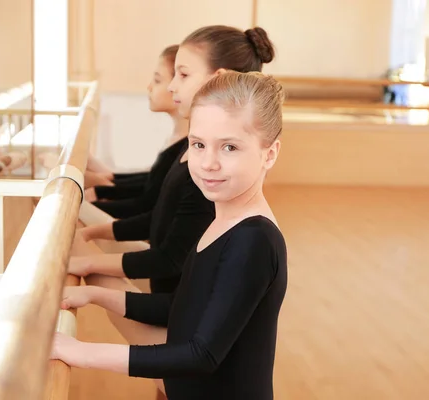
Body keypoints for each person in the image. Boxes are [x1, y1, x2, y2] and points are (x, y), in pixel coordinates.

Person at [52, 71, 288, 400]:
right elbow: (182, 308)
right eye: (198, 145)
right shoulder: (223, 220)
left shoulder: (253, 241)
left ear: (270, 153)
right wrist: (95, 295)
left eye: (230, 147)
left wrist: (81, 353)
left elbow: (200, 355)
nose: (208, 163)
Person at [70, 25, 278, 294]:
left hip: (173, 310)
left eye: (183, 75)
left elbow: (171, 258)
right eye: (199, 145)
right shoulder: (190, 156)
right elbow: (158, 215)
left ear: (217, 78)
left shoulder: (209, 176)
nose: (171, 86)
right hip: (170, 304)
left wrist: (91, 265)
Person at [84, 45, 190, 219]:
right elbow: (151, 182)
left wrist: (99, 195)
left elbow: (148, 203)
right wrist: (105, 184)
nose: (149, 87)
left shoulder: (187, 146)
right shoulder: (176, 138)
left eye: (157, 80)